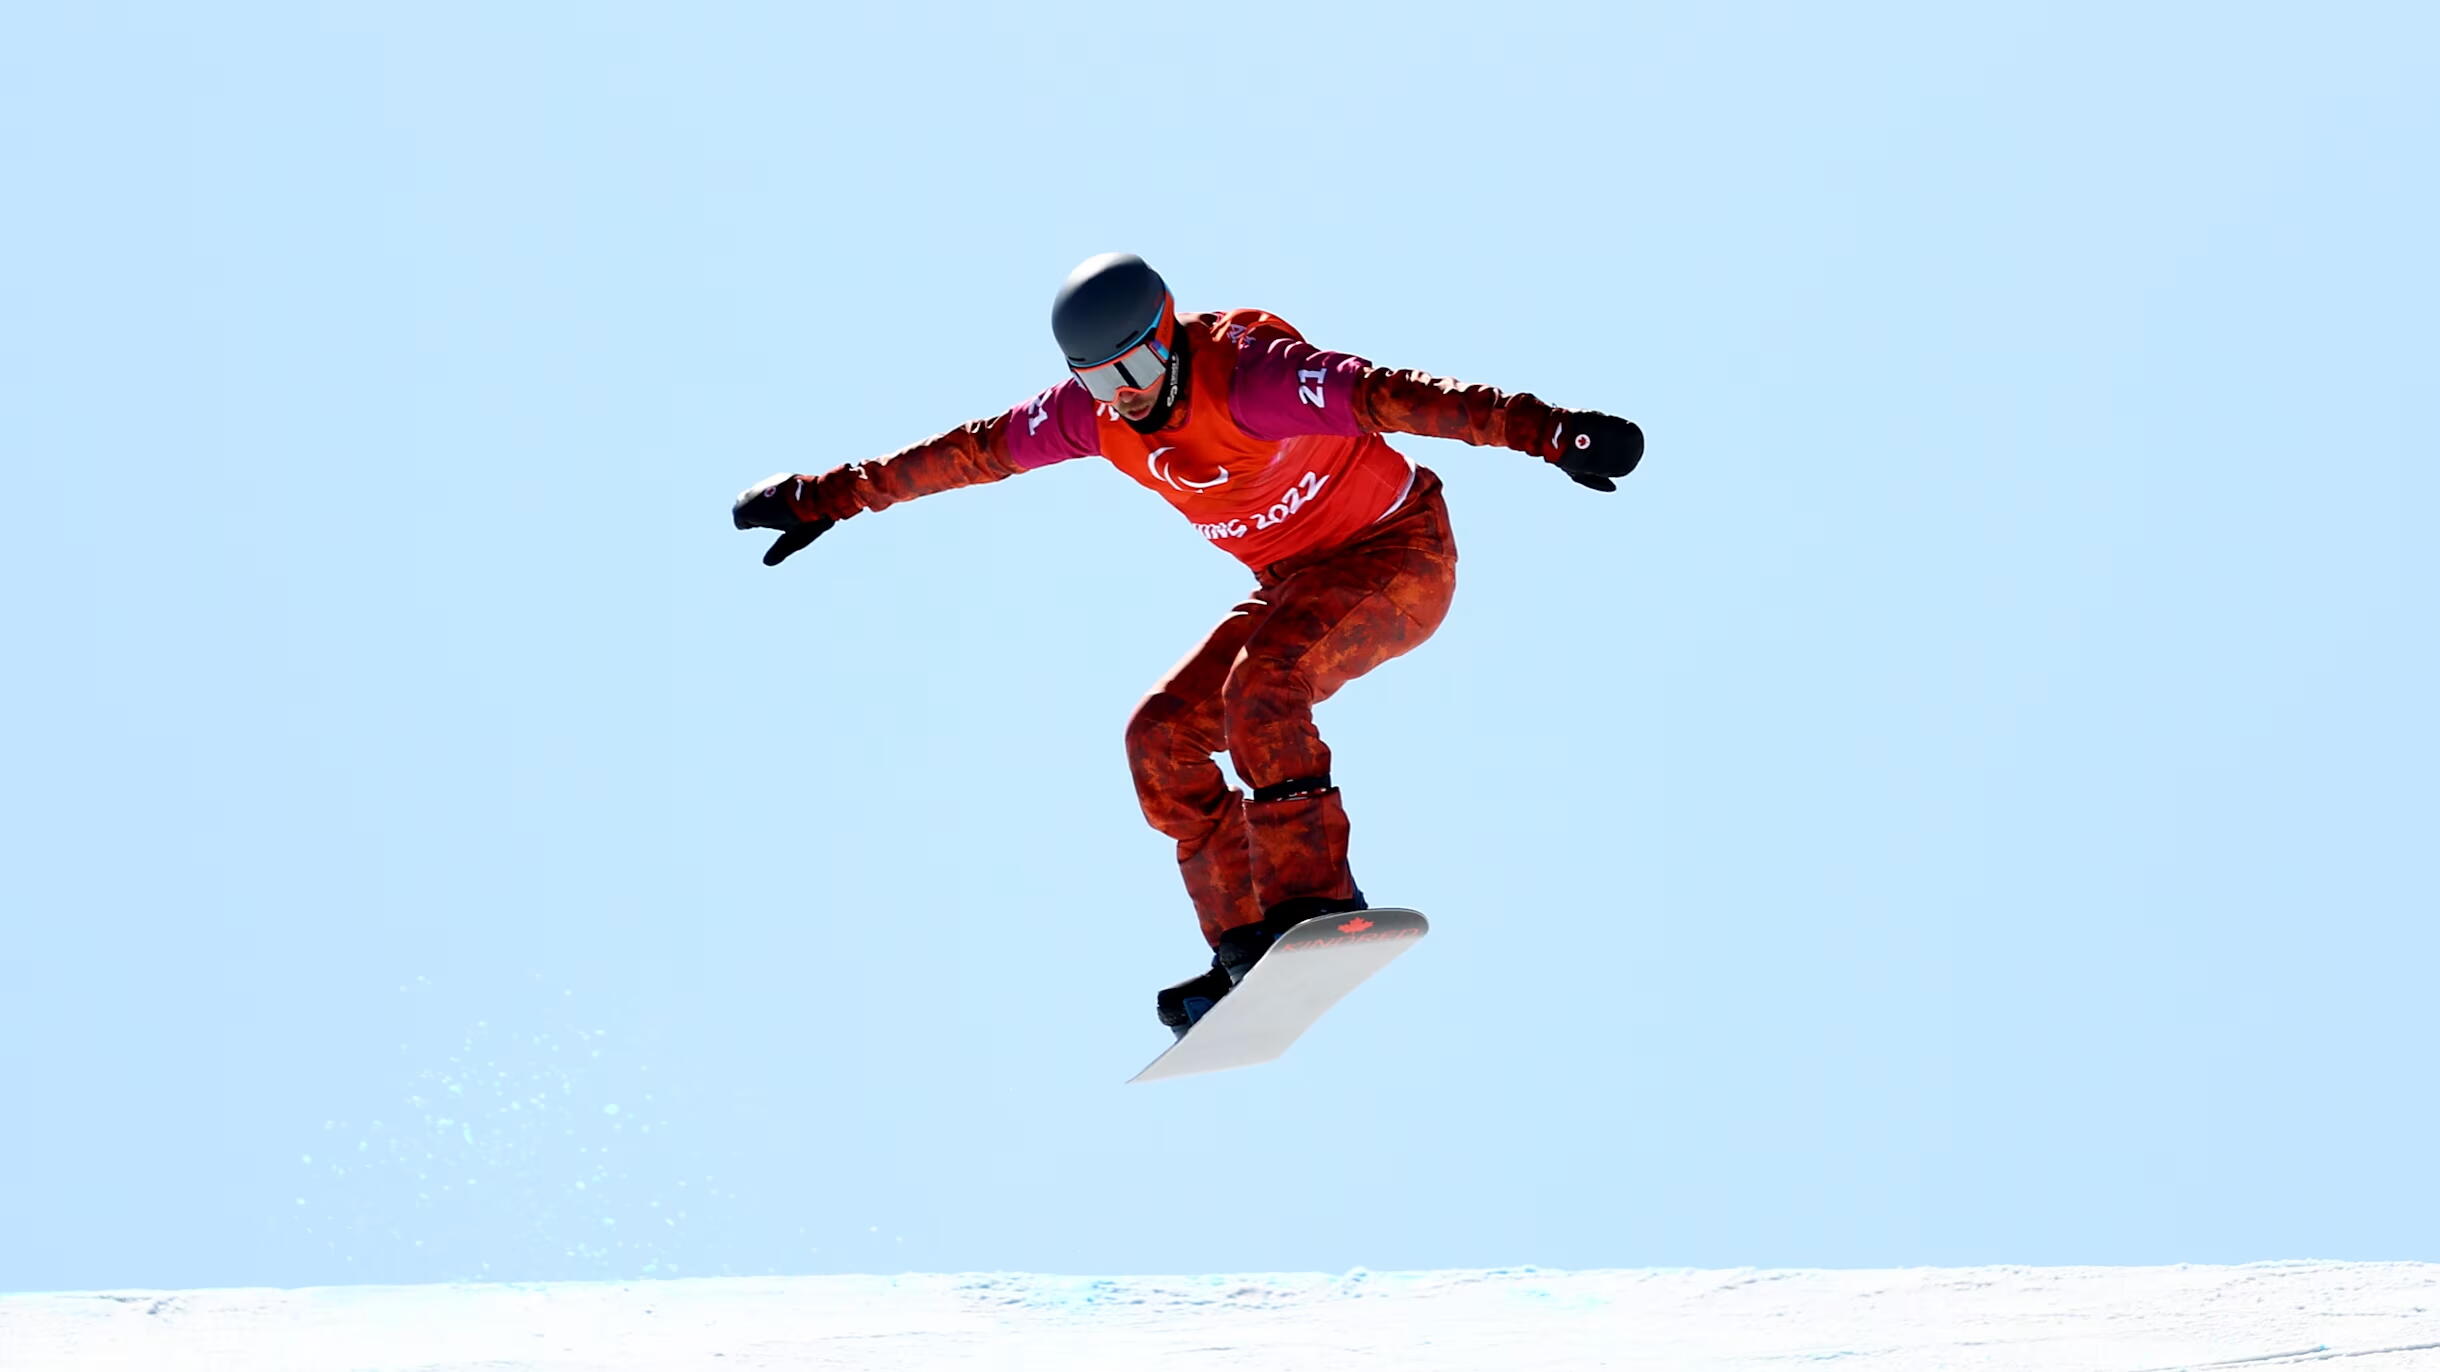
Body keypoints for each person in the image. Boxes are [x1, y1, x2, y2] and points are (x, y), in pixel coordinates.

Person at [734, 253, 1642, 1037]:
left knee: (1265, 686)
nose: (1120, 394)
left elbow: (1402, 397)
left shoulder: (1253, 375)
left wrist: (1550, 433)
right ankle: (1246, 946)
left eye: (1131, 366)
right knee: (1160, 735)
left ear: (1167, 334)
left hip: (1397, 555)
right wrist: (824, 497)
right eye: (1096, 379)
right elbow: (967, 454)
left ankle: (1317, 902)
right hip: (1291, 584)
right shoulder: (1089, 416)